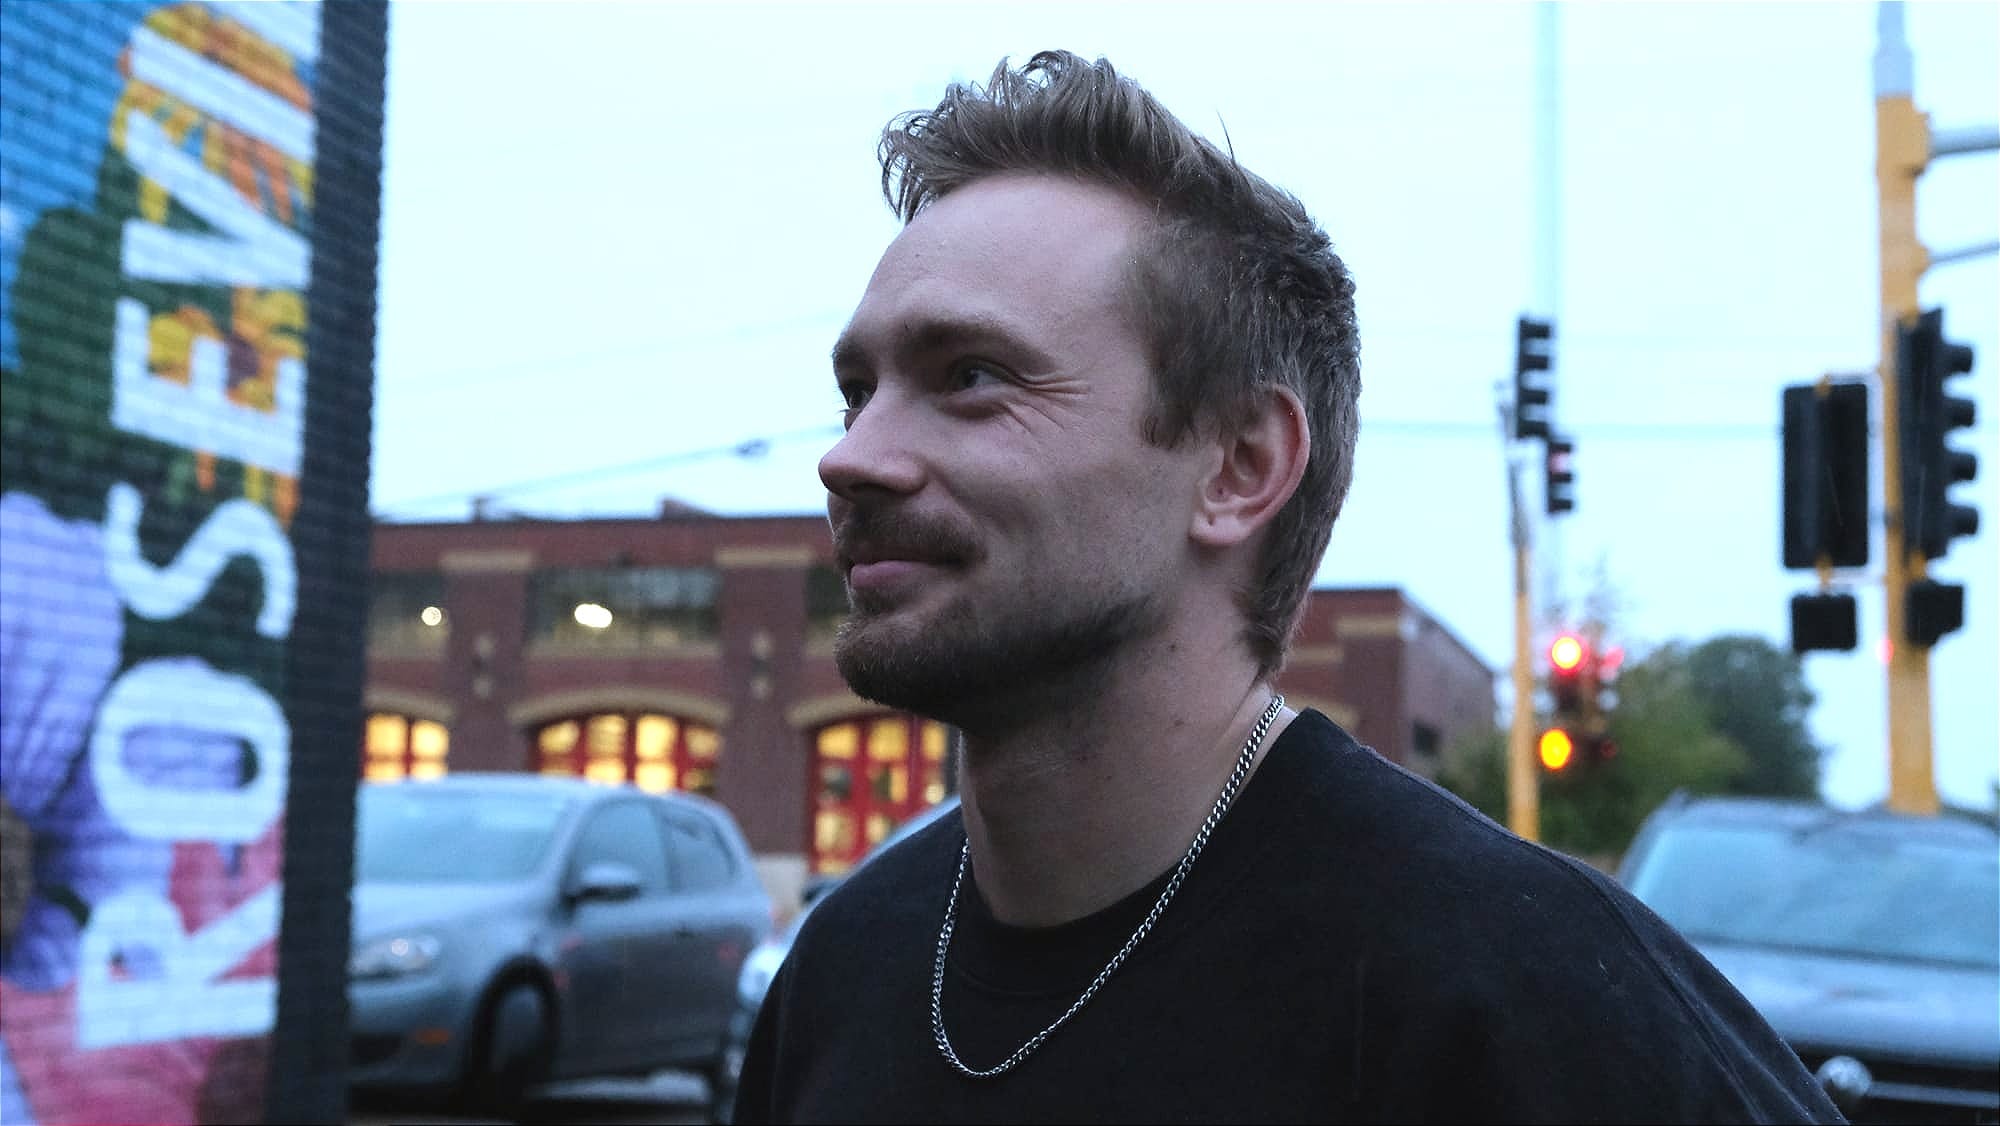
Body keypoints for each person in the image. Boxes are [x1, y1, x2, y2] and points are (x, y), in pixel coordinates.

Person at [734, 50, 1843, 1124]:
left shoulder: (1532, 1000)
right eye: (857, 391)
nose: (850, 457)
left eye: (970, 376)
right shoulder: (842, 973)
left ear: (1239, 466)